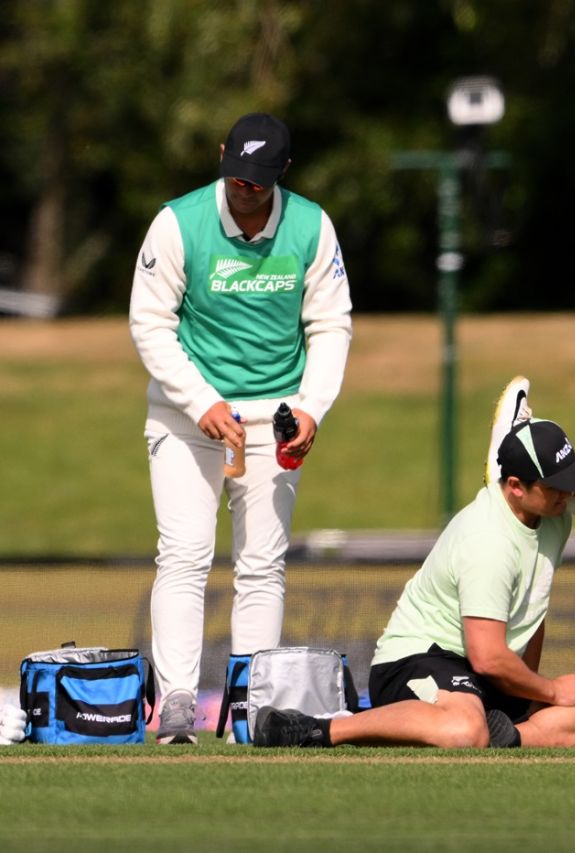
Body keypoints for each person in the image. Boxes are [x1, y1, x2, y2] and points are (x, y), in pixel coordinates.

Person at [129, 113, 353, 744]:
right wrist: (201, 401)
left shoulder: (311, 225)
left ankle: (254, 707)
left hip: (273, 419)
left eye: (258, 181)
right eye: (237, 175)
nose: (245, 190)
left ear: (281, 172)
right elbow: (150, 322)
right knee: (184, 555)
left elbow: (331, 324)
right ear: (223, 156)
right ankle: (175, 702)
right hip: (186, 416)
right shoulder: (178, 223)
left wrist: (311, 407)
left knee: (261, 565)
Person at [253, 380, 575, 749]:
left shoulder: (554, 518)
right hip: (418, 660)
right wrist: (550, 690)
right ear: (515, 486)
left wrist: (531, 696)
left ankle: (505, 736)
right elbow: (488, 657)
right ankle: (319, 729)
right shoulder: (488, 540)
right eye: (554, 485)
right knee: (464, 729)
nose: (567, 492)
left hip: (482, 674)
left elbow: (533, 611)